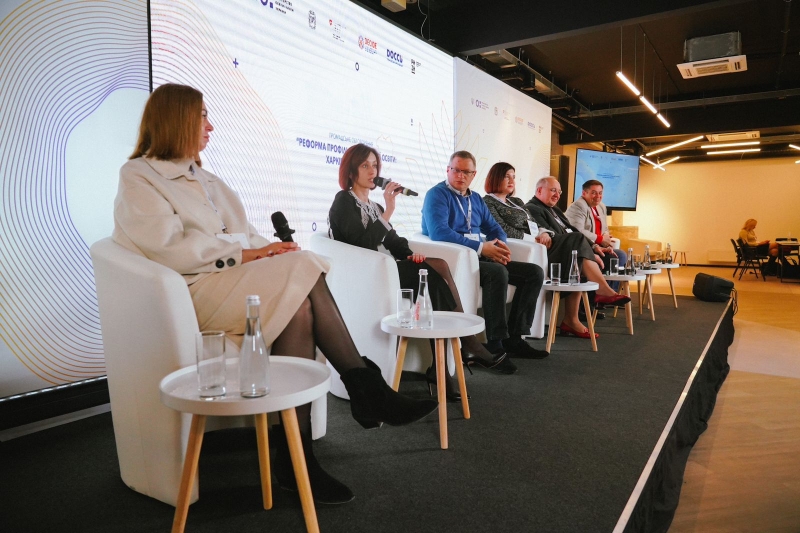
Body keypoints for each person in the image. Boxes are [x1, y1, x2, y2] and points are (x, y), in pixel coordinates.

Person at [112, 84, 437, 506]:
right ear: (176, 119)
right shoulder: (139, 175)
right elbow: (168, 248)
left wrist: (272, 249)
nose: (211, 126)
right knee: (305, 267)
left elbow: (247, 235)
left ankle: (297, 458)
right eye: (203, 116)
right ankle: (364, 386)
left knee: (300, 307)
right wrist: (251, 254)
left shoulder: (209, 180)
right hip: (191, 292)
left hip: (233, 284)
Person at [328, 145, 516, 397]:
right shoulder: (343, 200)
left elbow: (393, 241)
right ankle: (463, 349)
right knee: (432, 275)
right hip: (365, 274)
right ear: (351, 171)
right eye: (365, 166)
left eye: (375, 165)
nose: (373, 171)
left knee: (437, 267)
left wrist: (409, 255)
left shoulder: (373, 206)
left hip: (383, 270)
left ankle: (445, 364)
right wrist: (389, 211)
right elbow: (360, 244)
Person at [421, 151, 547, 359]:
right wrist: (481, 248)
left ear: (474, 175)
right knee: (497, 272)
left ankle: (515, 338)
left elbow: (495, 228)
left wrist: (499, 246)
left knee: (533, 273)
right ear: (448, 170)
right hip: (456, 260)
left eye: (466, 172)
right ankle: (495, 344)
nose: (461, 176)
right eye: (456, 170)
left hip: (479, 257)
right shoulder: (437, 195)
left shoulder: (476, 199)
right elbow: (439, 232)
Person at [484, 163, 602, 339]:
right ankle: (600, 292)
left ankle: (575, 314)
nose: (511, 181)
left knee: (577, 251)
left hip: (539, 243)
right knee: (576, 241)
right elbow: (503, 230)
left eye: (513, 177)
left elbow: (534, 223)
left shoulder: (516, 201)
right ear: (495, 178)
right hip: (526, 247)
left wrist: (543, 232)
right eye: (506, 176)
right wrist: (535, 240)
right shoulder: (488, 202)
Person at [525, 177, 631, 325]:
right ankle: (599, 294)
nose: (557, 195)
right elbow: (551, 235)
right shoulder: (533, 208)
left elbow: (572, 230)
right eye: (553, 190)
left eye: (559, 192)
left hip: (572, 250)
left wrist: (594, 247)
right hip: (554, 255)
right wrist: (591, 252)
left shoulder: (554, 209)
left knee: (606, 255)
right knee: (578, 243)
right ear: (539, 190)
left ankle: (580, 314)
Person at [564, 179, 627, 289]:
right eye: (594, 193)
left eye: (600, 193)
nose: (598, 196)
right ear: (584, 193)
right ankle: (604, 292)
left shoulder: (601, 206)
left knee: (620, 255)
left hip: (599, 246)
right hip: (585, 248)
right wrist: (600, 239)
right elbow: (578, 231)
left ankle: (610, 292)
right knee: (616, 257)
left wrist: (606, 238)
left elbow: (605, 228)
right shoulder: (578, 206)